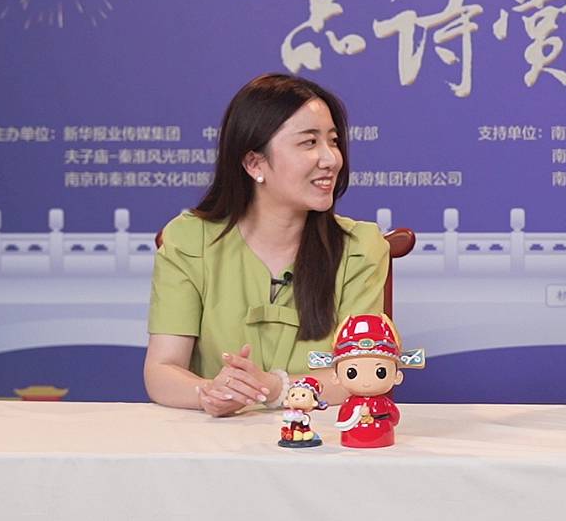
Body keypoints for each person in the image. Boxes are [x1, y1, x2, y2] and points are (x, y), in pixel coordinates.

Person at [144, 73, 389, 416]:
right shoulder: (190, 240)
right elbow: (162, 369)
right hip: (218, 440)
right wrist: (209, 393)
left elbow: (364, 373)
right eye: (309, 142)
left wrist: (275, 388)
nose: (331, 159)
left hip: (324, 438)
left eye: (333, 141)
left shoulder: (359, 248)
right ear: (254, 163)